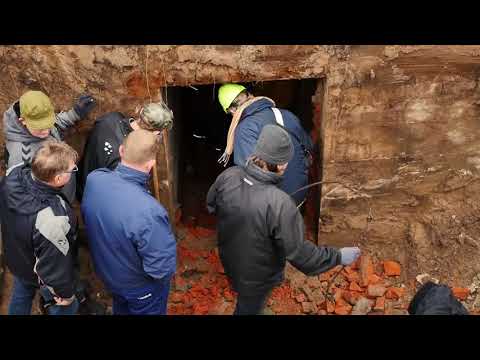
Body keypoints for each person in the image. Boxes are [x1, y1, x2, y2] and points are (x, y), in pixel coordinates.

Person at [207, 124, 361, 315]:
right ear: (280, 165)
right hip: (258, 278)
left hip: (231, 261)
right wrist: (338, 256)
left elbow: (211, 206)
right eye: (287, 162)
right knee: (249, 307)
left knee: (246, 299)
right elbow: (303, 257)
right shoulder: (279, 204)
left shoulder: (228, 176)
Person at [81, 130, 176, 315]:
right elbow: (161, 269)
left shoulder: (95, 179)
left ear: (121, 150)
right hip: (141, 289)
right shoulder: (150, 211)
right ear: (151, 164)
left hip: (110, 277)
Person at [0, 141, 81, 315]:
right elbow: (55, 267)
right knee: (67, 306)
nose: (74, 170)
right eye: (71, 170)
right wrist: (66, 294)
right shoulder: (52, 220)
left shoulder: (12, 177)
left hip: (17, 257)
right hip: (38, 269)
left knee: (22, 291)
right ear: (58, 179)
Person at [217, 83, 313, 205]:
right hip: (299, 193)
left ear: (231, 110)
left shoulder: (244, 129)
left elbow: (250, 173)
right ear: (250, 95)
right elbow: (309, 147)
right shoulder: (287, 114)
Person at [3, 90, 96, 203]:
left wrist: (74, 113)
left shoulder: (35, 118)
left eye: (48, 124)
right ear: (23, 121)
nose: (47, 131)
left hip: (64, 185)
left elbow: (55, 125)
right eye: (41, 128)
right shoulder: (21, 157)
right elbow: (27, 196)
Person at [77, 101, 173, 200]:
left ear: (139, 111)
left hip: (80, 179)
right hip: (93, 197)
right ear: (156, 132)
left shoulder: (111, 118)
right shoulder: (128, 156)